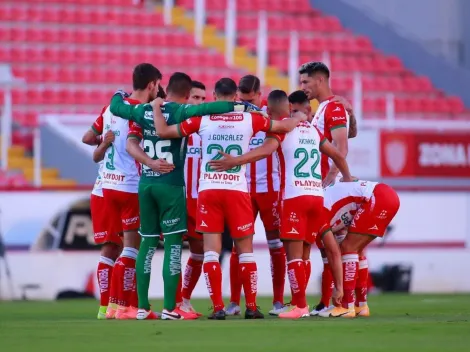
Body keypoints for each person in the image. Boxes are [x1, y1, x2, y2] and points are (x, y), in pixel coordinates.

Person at [152, 78, 308, 320]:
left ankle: (217, 308)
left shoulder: (202, 119)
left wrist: (154, 107)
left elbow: (163, 131)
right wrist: (298, 118)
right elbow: (282, 127)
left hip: (208, 190)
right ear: (236, 96)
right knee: (245, 251)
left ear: (214, 96)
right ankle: (252, 307)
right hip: (237, 190)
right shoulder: (249, 118)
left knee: (211, 252)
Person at [110, 73, 258, 320]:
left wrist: (120, 93)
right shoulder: (185, 113)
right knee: (173, 246)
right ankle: (171, 307)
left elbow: (117, 108)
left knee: (146, 245)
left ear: (163, 88)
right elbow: (217, 106)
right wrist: (244, 106)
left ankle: (144, 308)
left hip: (147, 183)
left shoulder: (144, 110)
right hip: (173, 186)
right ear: (188, 96)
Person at [208, 90, 352, 319]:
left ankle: (300, 306)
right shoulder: (312, 129)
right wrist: (347, 178)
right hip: (317, 196)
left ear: (273, 111)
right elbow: (338, 154)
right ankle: (312, 300)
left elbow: (264, 151)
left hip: (294, 197)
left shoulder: (282, 129)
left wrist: (235, 161)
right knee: (308, 252)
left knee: (294, 254)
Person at [299, 62, 360, 315]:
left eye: (306, 82)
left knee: (339, 246)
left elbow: (342, 147)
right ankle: (331, 303)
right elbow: (350, 132)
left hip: (331, 187)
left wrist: (331, 176)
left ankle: (345, 303)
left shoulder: (333, 107)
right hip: (325, 185)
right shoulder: (327, 108)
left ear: (320, 81)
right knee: (329, 248)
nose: (302, 87)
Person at [225, 75, 287, 317]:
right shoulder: (234, 116)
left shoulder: (271, 116)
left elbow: (298, 113)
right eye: (242, 100)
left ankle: (279, 300)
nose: (246, 104)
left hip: (270, 190)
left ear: (260, 95)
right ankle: (233, 302)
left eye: (251, 100)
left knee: (276, 245)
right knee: (237, 247)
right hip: (242, 190)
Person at [319, 180, 400, 317]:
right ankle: (361, 305)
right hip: (385, 194)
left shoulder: (319, 214)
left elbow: (334, 253)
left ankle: (347, 305)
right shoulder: (322, 202)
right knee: (356, 249)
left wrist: (338, 288)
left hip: (376, 197)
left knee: (348, 247)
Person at [82, 109, 122, 319]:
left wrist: (103, 140)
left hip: (107, 188)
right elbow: (91, 147)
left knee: (120, 248)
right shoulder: (134, 115)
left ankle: (113, 305)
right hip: (113, 188)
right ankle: (109, 306)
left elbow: (88, 138)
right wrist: (105, 142)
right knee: (114, 247)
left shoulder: (108, 111)